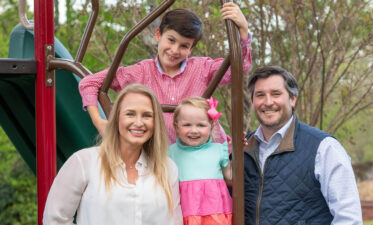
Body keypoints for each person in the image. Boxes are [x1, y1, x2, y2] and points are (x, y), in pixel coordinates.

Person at [79, 3, 252, 146]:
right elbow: (89, 83)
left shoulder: (202, 68)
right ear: (158, 35)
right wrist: (100, 122)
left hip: (203, 152)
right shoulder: (141, 72)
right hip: (164, 156)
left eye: (184, 46)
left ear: (191, 49)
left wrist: (243, 30)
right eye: (171, 40)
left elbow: (239, 68)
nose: (175, 50)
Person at [43, 84, 183, 225]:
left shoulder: (168, 168)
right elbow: (54, 219)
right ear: (116, 118)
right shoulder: (84, 162)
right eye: (130, 114)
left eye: (147, 115)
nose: (139, 123)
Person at [243, 66, 363, 224]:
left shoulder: (324, 148)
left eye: (276, 94)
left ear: (292, 99)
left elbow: (348, 218)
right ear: (253, 102)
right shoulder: (242, 149)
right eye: (260, 95)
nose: (268, 102)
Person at [168, 97, 233, 225]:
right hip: (184, 215)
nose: (194, 130)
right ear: (176, 127)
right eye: (187, 125)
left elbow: (230, 177)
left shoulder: (218, 150)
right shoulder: (171, 153)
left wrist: (238, 151)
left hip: (216, 215)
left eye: (201, 125)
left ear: (211, 126)